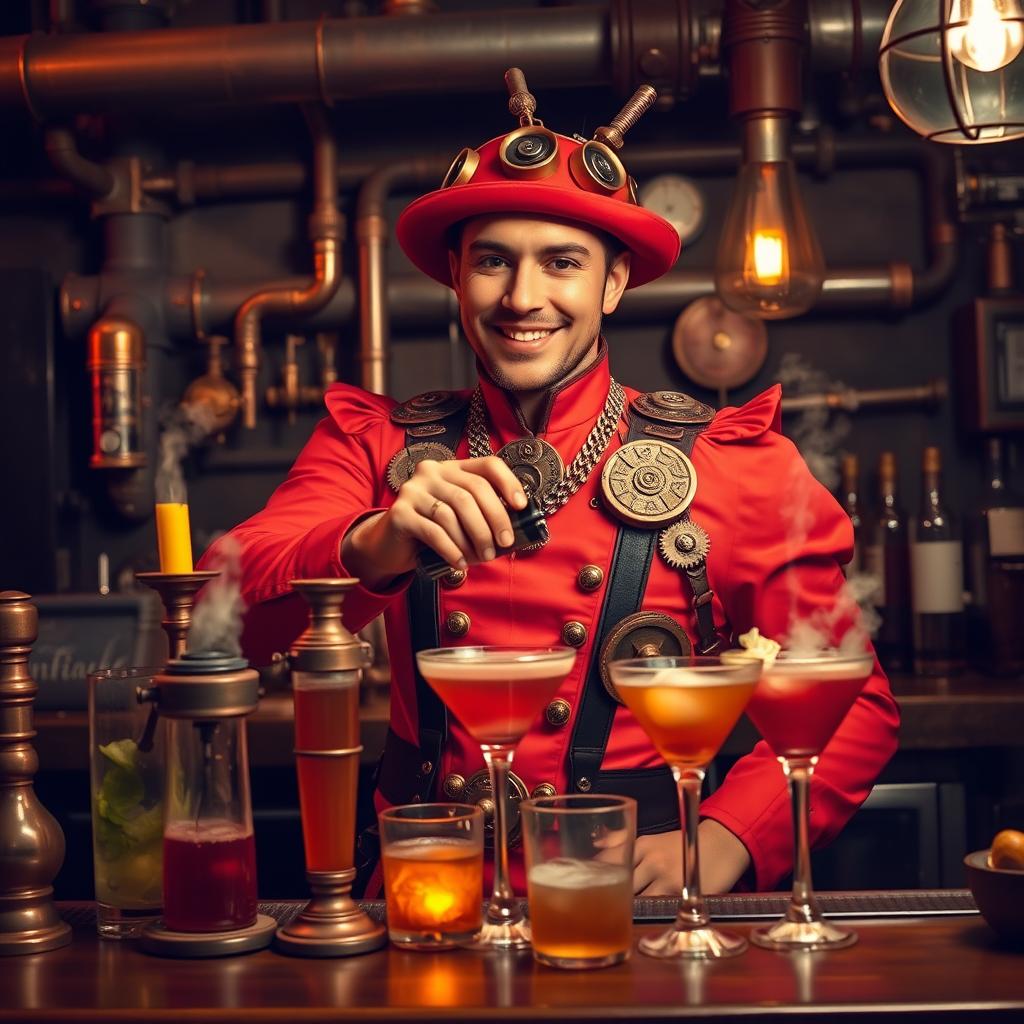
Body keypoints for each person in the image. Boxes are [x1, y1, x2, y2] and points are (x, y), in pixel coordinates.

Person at [200, 76, 899, 898]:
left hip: (632, 899)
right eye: (493, 261)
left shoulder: (734, 463)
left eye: (561, 263)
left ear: (611, 284)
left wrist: (727, 837)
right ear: (456, 278)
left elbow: (853, 699)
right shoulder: (373, 444)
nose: (522, 297)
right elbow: (220, 615)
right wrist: (375, 540)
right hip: (423, 893)